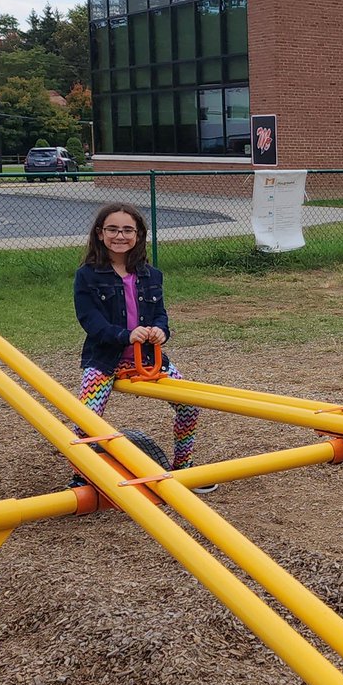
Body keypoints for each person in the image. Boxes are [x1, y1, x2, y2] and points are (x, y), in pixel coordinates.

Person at [73, 203, 216, 494]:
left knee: (189, 404)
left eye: (128, 230)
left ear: (138, 235)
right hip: (105, 359)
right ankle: (82, 476)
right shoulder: (87, 275)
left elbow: (160, 313)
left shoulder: (151, 275)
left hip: (150, 359)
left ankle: (183, 466)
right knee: (85, 419)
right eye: (112, 229)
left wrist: (160, 330)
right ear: (100, 233)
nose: (120, 236)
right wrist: (125, 335)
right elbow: (90, 320)